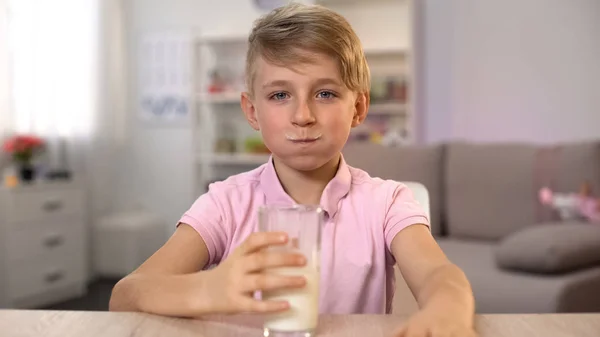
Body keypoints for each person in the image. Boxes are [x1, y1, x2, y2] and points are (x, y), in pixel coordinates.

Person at [109, 3, 477, 336]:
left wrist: (449, 305)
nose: (303, 116)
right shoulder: (224, 203)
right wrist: (210, 287)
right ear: (252, 110)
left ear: (359, 107)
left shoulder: (388, 203)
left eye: (325, 93)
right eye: (280, 95)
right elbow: (127, 294)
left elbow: (437, 275)